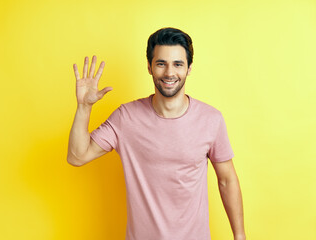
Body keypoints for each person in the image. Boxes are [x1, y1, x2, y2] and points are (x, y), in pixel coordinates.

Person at [67, 27, 246, 240]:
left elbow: (227, 180)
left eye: (178, 64)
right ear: (150, 67)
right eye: (161, 63)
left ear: (189, 68)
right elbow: (77, 156)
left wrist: (240, 236)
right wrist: (84, 108)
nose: (169, 73)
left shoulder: (211, 120)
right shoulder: (126, 118)